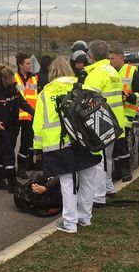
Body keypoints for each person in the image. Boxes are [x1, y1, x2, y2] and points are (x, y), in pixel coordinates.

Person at [33, 57, 101, 233]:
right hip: (85, 140)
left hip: (58, 143)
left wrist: (38, 149)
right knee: (88, 178)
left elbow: (38, 125)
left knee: (67, 181)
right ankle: (85, 218)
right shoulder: (83, 87)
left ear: (52, 72)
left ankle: (70, 223)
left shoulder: (45, 94)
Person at [84, 40, 126, 205]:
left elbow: (87, 101)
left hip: (101, 122)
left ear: (91, 56)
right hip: (115, 121)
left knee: (97, 161)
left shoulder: (96, 73)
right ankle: (109, 187)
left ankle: (98, 196)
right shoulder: (112, 71)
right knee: (107, 158)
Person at [0, 64, 34, 192]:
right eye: (11, 79)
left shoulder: (13, 89)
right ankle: (11, 180)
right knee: (9, 152)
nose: (13, 81)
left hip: (12, 124)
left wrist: (35, 113)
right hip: (0, 126)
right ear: (3, 79)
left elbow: (22, 103)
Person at [109, 45, 139, 182]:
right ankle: (118, 171)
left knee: (121, 142)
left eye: (113, 58)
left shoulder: (131, 71)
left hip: (126, 114)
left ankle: (125, 170)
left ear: (121, 58)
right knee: (113, 144)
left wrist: (129, 97)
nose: (110, 61)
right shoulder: (108, 71)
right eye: (109, 58)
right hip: (111, 113)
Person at [14, 52, 39, 179]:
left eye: (31, 63)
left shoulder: (34, 78)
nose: (30, 65)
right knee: (11, 142)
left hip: (30, 116)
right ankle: (8, 168)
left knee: (26, 143)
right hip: (16, 116)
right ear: (20, 65)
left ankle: (21, 168)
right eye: (28, 64)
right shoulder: (14, 78)